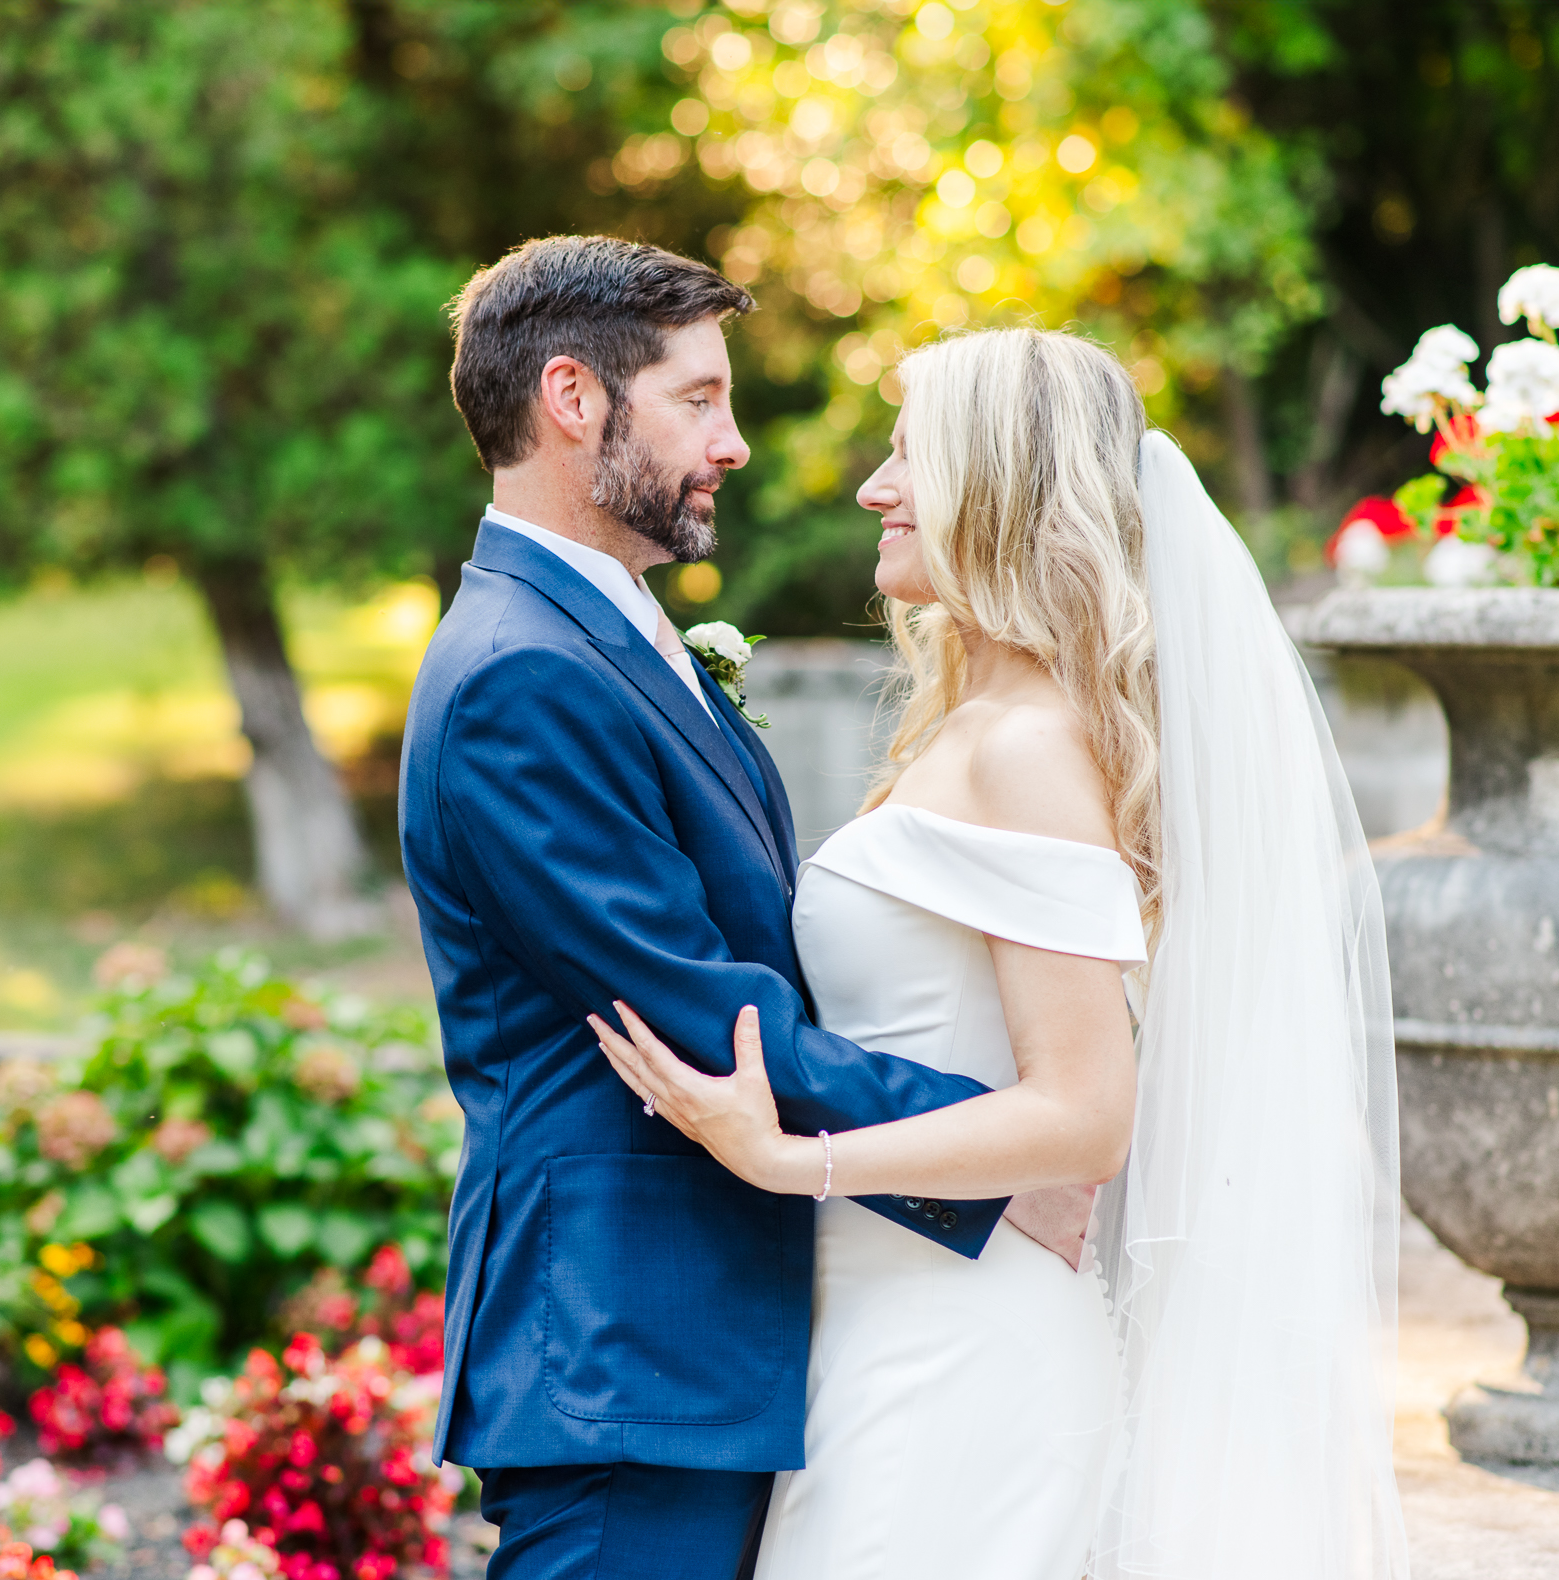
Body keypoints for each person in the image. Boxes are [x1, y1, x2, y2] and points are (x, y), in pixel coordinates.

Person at [590, 326, 1410, 1578]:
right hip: (888, 1327)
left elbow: (1086, 1114)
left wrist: (789, 1156)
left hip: (963, 1354)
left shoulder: (1026, 746)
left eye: (910, 456)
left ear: (1000, 486)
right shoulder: (976, 723)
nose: (875, 487)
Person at [399, 238, 1091, 1579]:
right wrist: (1003, 1159)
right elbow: (709, 1013)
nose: (737, 445)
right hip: (630, 1346)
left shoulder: (605, 635)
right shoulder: (516, 677)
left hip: (707, 1337)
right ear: (575, 400)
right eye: (700, 399)